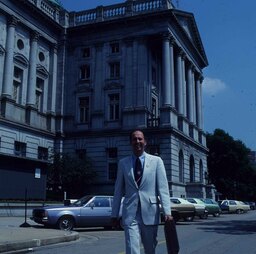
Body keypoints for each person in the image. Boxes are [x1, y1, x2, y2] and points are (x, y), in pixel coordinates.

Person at [111, 129, 173, 254]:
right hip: (130, 214)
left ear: (145, 142)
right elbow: (118, 190)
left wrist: (167, 212)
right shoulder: (123, 163)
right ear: (130, 142)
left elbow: (163, 188)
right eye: (134, 139)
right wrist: (114, 214)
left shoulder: (156, 161)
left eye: (140, 139)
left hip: (150, 212)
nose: (137, 141)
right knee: (132, 248)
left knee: (150, 249)